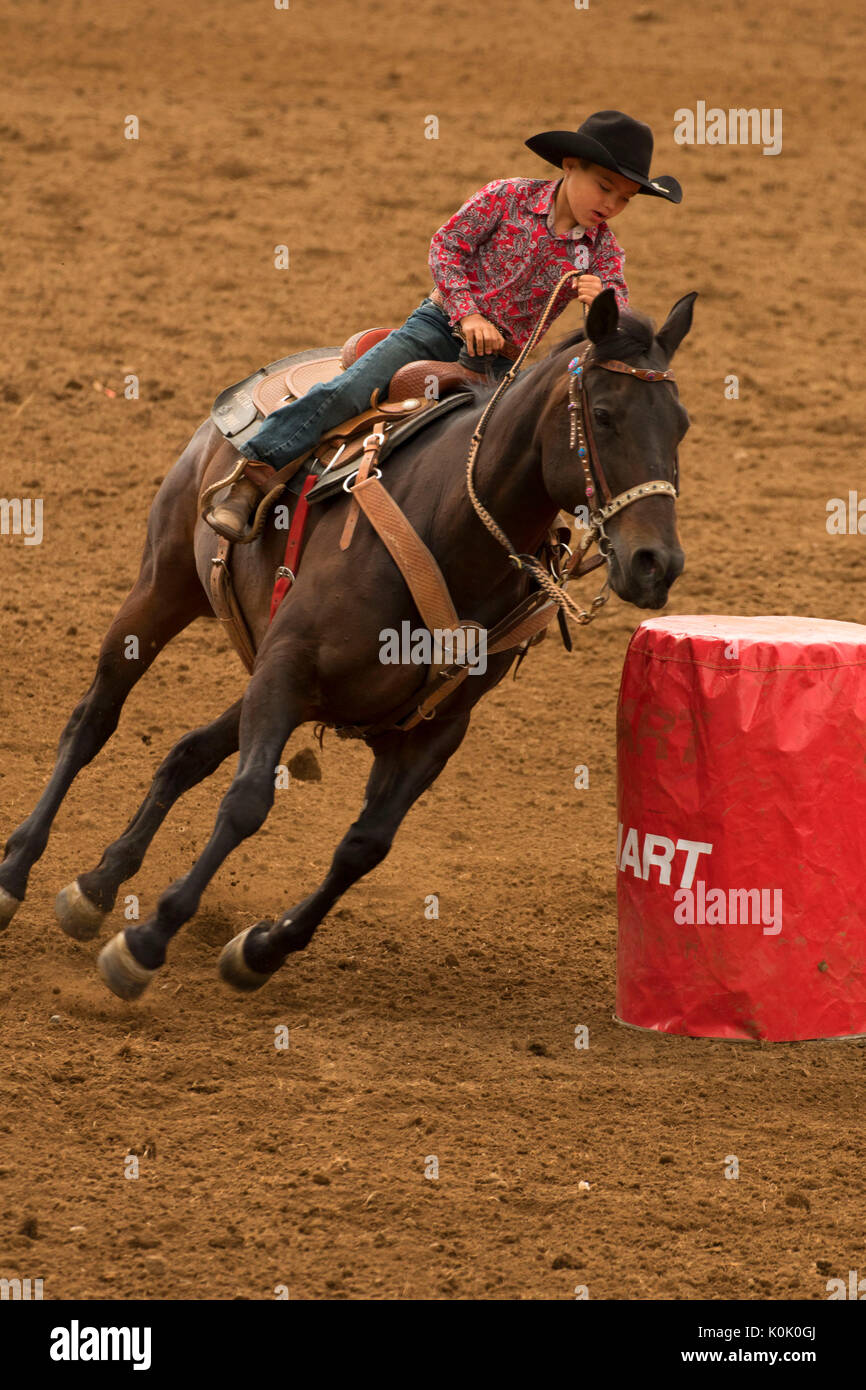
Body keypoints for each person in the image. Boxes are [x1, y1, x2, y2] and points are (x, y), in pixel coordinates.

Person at [207, 109, 682, 541]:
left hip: (502, 363)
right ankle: (252, 476)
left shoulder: (603, 253)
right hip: (438, 326)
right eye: (604, 186)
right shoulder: (507, 197)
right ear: (569, 165)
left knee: (516, 456)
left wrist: (606, 306)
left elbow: (619, 322)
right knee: (352, 389)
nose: (612, 205)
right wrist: (468, 312)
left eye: (625, 198)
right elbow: (447, 246)